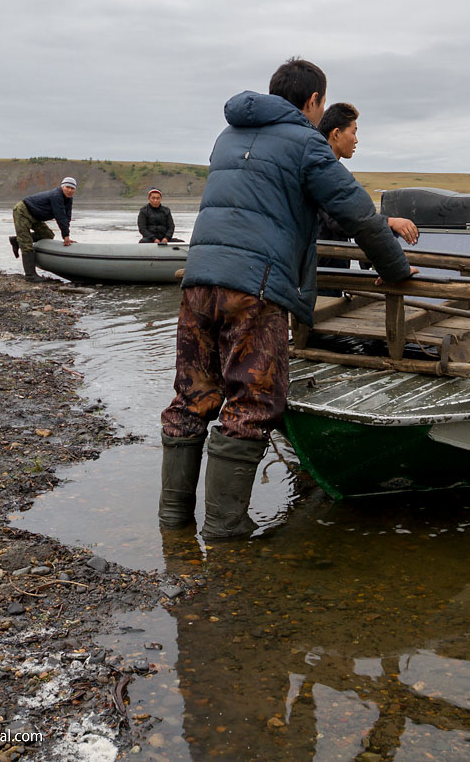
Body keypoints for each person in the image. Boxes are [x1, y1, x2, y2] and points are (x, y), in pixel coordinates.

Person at [159, 58, 414, 540]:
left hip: (198, 282)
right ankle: (224, 533)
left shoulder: (228, 136)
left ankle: (172, 526)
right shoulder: (307, 143)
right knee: (252, 403)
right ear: (314, 101)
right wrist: (396, 273)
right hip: (254, 291)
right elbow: (359, 215)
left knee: (191, 398)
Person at [315, 103, 419, 274]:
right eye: (353, 132)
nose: (356, 140)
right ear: (336, 133)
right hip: (322, 273)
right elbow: (342, 221)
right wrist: (390, 222)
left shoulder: (322, 166)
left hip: (326, 269)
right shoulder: (324, 171)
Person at [10, 176, 76, 282]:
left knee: (48, 235)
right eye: (67, 187)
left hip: (36, 216)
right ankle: (30, 275)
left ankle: (16, 240)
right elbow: (59, 216)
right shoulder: (57, 195)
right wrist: (65, 236)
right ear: (62, 187)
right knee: (26, 244)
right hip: (23, 211)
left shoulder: (68, 199)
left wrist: (67, 235)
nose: (69, 190)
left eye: (72, 188)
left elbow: (66, 217)